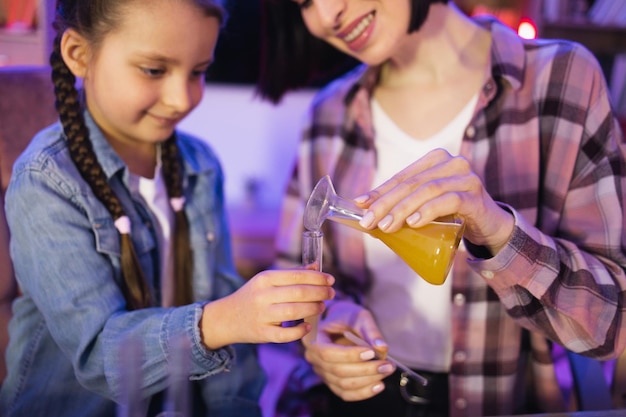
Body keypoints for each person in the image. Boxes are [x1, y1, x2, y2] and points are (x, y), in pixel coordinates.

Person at [256, 0, 626, 416]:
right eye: (304, 3)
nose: (327, 16)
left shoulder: (562, 79)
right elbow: (298, 292)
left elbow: (612, 323)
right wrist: (324, 331)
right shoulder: (328, 115)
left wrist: (497, 232)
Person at [0, 0, 337, 416]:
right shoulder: (47, 180)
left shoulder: (200, 166)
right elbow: (99, 358)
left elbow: (231, 346)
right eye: (154, 70)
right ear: (78, 55)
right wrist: (226, 319)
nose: (181, 99)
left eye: (197, 72)